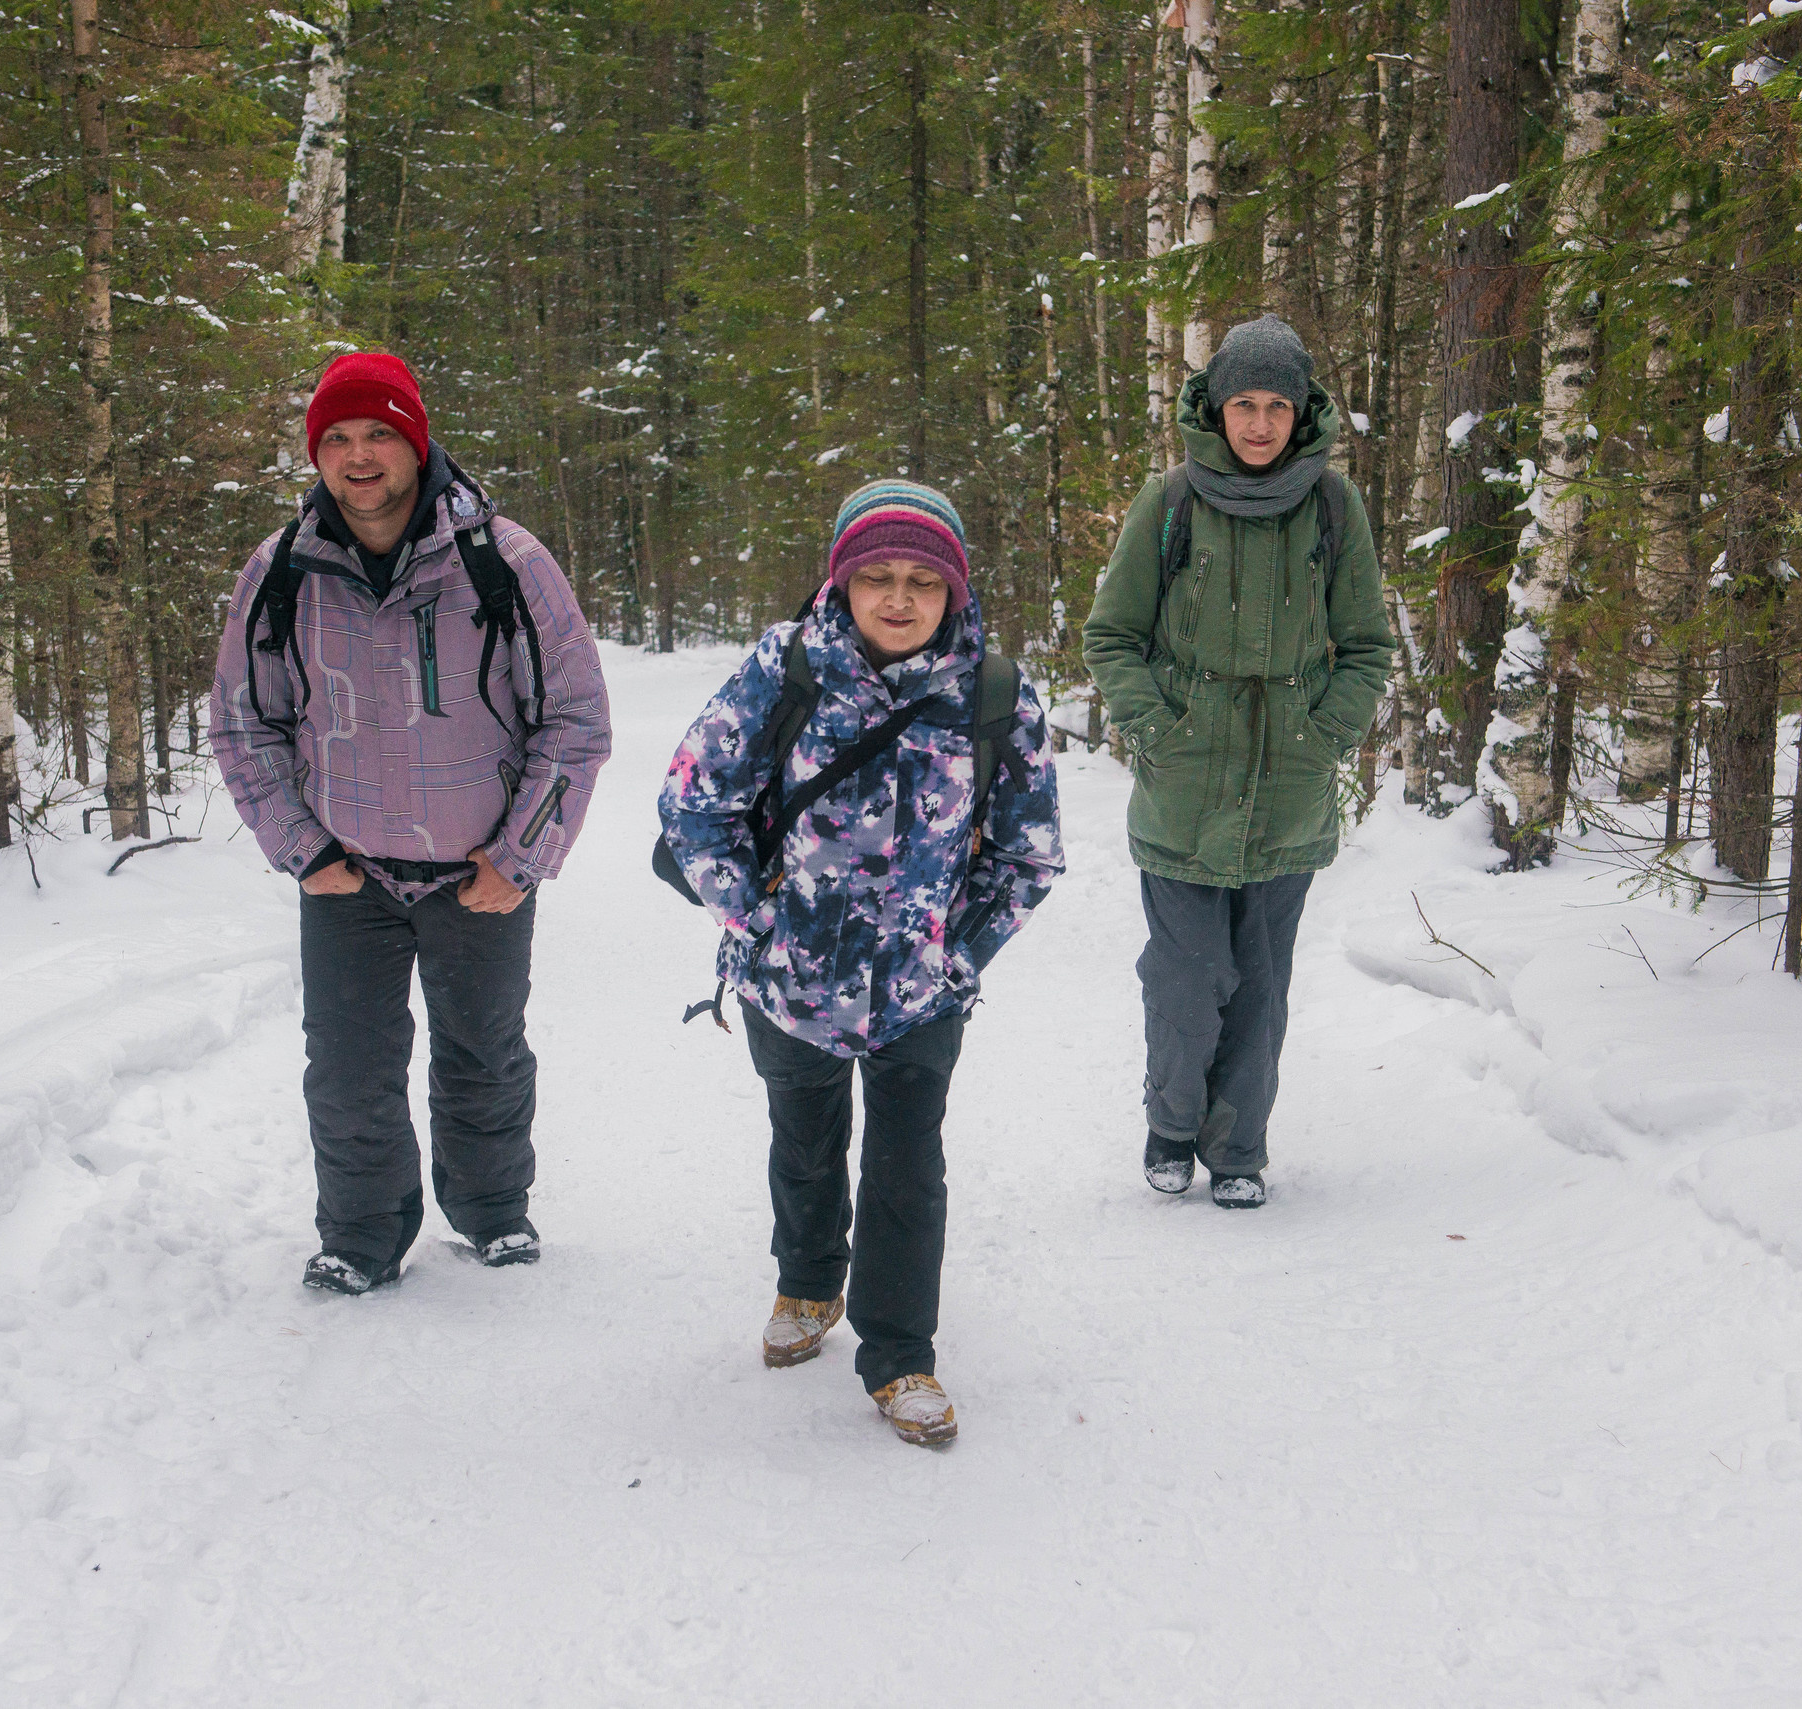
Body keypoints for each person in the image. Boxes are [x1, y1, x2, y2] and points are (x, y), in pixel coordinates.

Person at [660, 480, 1063, 1447]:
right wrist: (755, 920)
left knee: (906, 1163)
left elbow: (1029, 852)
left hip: (921, 991)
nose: (898, 596)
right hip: (789, 980)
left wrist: (957, 953)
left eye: (923, 579)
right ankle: (807, 1282)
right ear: (841, 582)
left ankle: (899, 1350)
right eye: (876, 575)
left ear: (954, 592)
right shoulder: (785, 668)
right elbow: (691, 800)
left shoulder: (996, 693)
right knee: (803, 1137)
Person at [211, 352, 612, 1293]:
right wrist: (301, 850)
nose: (359, 456)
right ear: (318, 454)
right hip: (347, 874)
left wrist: (521, 859)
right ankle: (360, 1234)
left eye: (379, 434)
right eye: (338, 439)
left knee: (483, 1051)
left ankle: (491, 1211)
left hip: (479, 872)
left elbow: (577, 720)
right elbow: (243, 721)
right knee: (347, 1070)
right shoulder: (280, 573)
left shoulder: (504, 561)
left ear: (415, 441)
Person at [1081, 316, 1393, 1210]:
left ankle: (1241, 1149)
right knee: (1186, 977)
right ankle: (1171, 1127)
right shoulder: (1171, 500)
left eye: (1277, 406)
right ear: (1217, 410)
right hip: (1185, 787)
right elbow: (1112, 635)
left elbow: (1367, 645)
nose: (1260, 424)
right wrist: (1158, 729)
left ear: (1303, 414)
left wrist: (1323, 733)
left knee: (1259, 985)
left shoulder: (1335, 508)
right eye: (1244, 405)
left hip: (1288, 791)